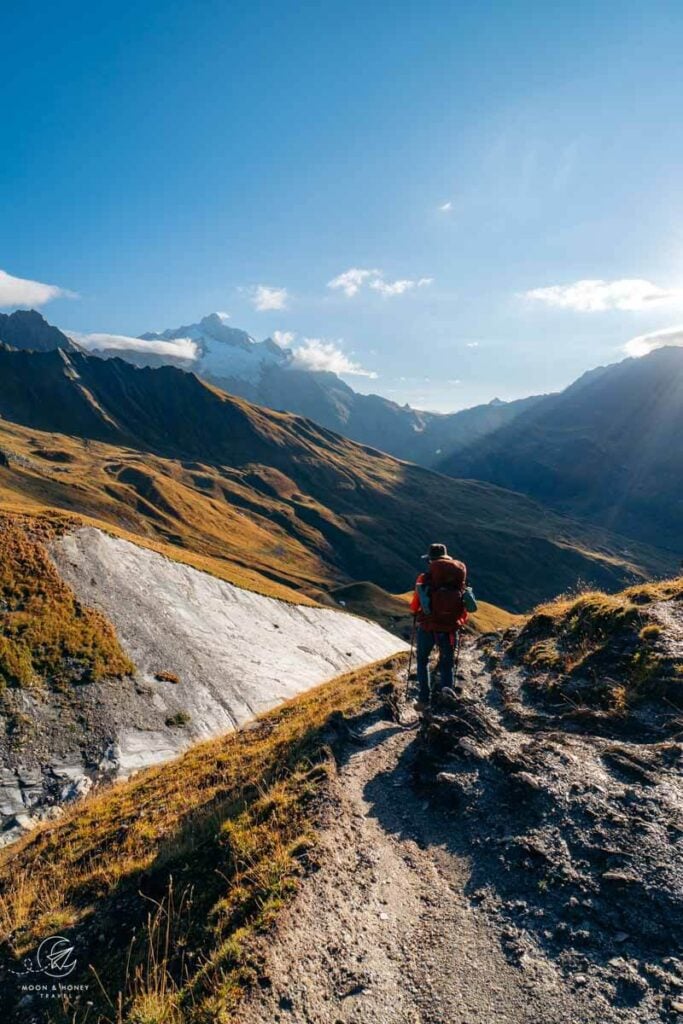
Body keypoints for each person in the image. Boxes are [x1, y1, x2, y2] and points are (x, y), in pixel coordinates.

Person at [409, 542, 468, 708]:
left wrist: (416, 612)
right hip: (450, 629)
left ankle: (423, 699)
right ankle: (446, 700)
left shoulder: (425, 579)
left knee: (422, 660)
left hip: (428, 627)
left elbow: (415, 605)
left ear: (431, 561)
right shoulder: (457, 580)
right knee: (447, 664)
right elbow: (465, 604)